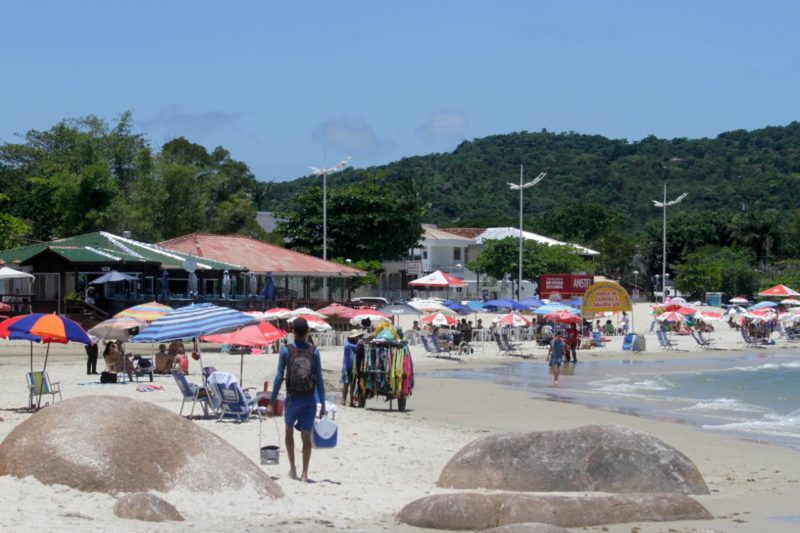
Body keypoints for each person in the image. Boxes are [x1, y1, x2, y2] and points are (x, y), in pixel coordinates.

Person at [267, 317, 326, 482]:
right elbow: (319, 380)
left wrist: (272, 402)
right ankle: (305, 474)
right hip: (309, 400)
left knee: (289, 431)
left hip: (293, 399)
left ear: (293, 332)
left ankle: (293, 467)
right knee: (306, 437)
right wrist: (323, 404)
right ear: (307, 332)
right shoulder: (314, 351)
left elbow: (279, 377)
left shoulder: (286, 350)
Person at [341, 330, 363, 406]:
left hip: (353, 368)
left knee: (352, 385)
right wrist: (358, 345)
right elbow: (347, 346)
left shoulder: (356, 344)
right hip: (346, 367)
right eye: (356, 337)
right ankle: (343, 401)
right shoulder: (347, 343)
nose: (357, 338)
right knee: (345, 385)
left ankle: (351, 402)